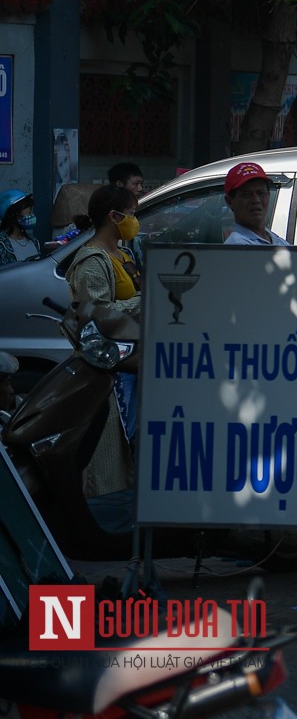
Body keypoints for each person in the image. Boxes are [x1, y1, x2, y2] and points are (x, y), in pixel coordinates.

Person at [66, 184, 142, 535]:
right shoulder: (92, 261)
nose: (135, 221)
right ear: (114, 217)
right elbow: (97, 315)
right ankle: (107, 529)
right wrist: (144, 302)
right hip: (109, 375)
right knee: (111, 460)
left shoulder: (123, 253)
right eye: (133, 213)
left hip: (133, 366)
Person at [223, 162, 287, 245]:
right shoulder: (238, 246)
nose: (256, 200)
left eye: (261, 193)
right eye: (247, 195)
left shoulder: (273, 238)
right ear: (230, 201)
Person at [0, 190, 36, 264]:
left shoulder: (34, 242)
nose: (32, 216)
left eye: (31, 212)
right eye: (29, 212)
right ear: (13, 214)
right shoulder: (2, 245)